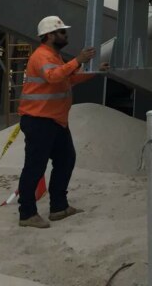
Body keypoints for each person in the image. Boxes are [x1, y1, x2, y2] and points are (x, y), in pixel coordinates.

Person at [17, 15, 106, 229]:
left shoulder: (54, 56)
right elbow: (54, 77)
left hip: (55, 121)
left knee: (66, 160)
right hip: (39, 121)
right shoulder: (42, 56)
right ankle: (27, 213)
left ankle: (59, 207)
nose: (66, 35)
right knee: (34, 168)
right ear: (49, 36)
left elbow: (67, 79)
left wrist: (93, 72)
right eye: (62, 32)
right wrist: (78, 60)